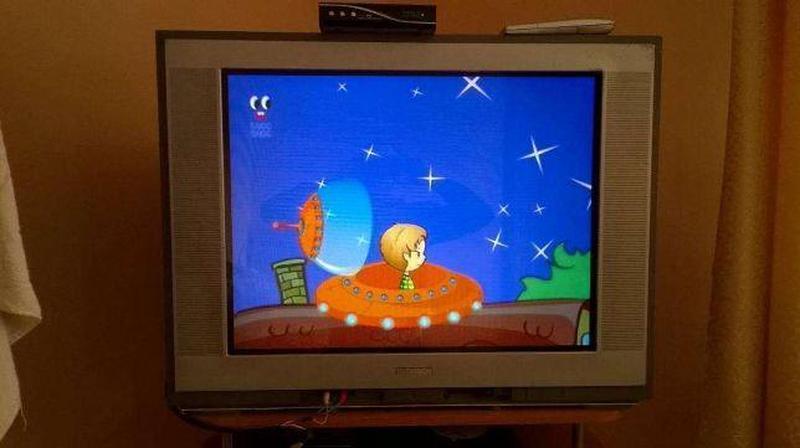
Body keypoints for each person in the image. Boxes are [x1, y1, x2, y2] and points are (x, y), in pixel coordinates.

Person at [379, 223, 427, 290]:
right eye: (418, 254)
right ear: (406, 256)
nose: (424, 257)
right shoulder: (402, 281)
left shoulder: (414, 276)